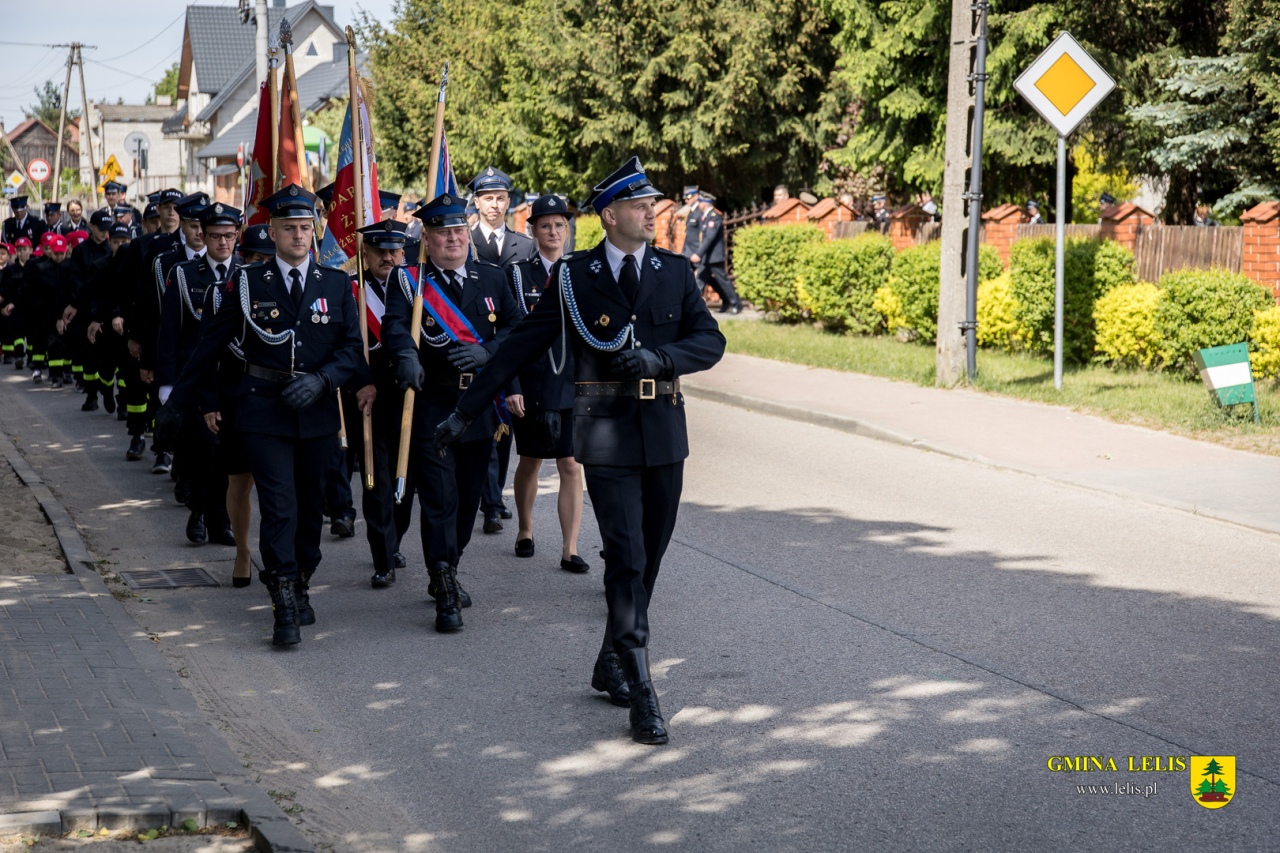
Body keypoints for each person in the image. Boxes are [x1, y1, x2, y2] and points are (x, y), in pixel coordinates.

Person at [433, 156, 726, 744]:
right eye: (641, 206)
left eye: (651, 204)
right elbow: (518, 345)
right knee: (625, 555)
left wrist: (661, 359)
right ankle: (643, 688)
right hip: (606, 433)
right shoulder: (575, 276)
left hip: (665, 431)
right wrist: (465, 411)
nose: (652, 213)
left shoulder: (673, 271)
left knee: (651, 559)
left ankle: (609, 658)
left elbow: (709, 340)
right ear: (611, 214)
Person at [156, 183, 365, 647]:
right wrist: (175, 402)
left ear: (315, 230)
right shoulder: (249, 283)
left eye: (305, 227)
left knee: (312, 510)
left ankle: (303, 576)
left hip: (315, 412)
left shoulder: (335, 283)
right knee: (279, 507)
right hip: (262, 411)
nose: (298, 235)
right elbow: (211, 343)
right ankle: (283, 595)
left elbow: (353, 349)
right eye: (288, 227)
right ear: (270, 232)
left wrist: (324, 380)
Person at [382, 192, 521, 633]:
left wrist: (488, 352)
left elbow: (519, 331)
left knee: (466, 502)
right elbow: (394, 329)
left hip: (478, 407)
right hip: (432, 404)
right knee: (439, 499)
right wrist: (403, 354)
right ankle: (443, 582)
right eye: (443, 233)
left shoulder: (494, 278)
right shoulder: (409, 280)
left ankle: (449, 564)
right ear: (428, 238)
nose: (454, 239)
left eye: (460, 230)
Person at [505, 193, 589, 572]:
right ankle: (525, 528)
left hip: (572, 382)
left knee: (571, 463)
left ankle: (570, 548)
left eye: (560, 225)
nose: (554, 231)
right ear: (533, 231)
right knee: (531, 460)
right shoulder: (518, 274)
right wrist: (513, 384)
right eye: (546, 225)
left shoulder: (581, 273)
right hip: (534, 382)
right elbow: (511, 337)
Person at [156, 203, 242, 547]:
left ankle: (219, 521)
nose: (223, 243)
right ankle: (198, 511)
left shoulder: (245, 274)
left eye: (229, 236)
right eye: (216, 236)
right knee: (199, 454)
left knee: (225, 455)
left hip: (233, 381)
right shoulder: (184, 274)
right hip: (195, 382)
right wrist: (168, 385)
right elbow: (170, 333)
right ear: (203, 237)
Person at [343, 219, 414, 588]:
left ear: (403, 253)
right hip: (367, 391)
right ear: (365, 254)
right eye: (379, 251)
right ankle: (382, 556)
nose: (387, 257)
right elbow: (344, 346)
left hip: (410, 393)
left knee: (407, 478)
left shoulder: (417, 287)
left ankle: (396, 537)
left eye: (394, 251)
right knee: (376, 478)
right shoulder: (351, 291)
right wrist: (361, 382)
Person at [467, 167, 530, 532]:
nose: (494, 204)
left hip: (510, 341)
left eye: (501, 198)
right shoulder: (464, 239)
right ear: (476, 201)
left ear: (509, 201)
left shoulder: (524, 244)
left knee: (505, 427)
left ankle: (494, 493)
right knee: (482, 422)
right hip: (476, 341)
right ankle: (489, 501)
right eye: (487, 198)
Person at [689, 193, 741, 314]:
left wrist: (698, 254)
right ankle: (692, 307)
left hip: (714, 257)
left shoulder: (714, 217)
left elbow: (709, 238)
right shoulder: (706, 217)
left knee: (723, 280)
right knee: (700, 280)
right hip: (707, 258)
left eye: (701, 202)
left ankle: (735, 303)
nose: (699, 205)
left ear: (705, 203)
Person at [679, 186, 702, 265]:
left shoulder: (700, 212)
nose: (686, 200)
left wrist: (699, 253)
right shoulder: (690, 212)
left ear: (696, 196)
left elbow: (703, 234)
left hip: (697, 252)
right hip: (688, 252)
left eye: (688, 198)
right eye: (685, 198)